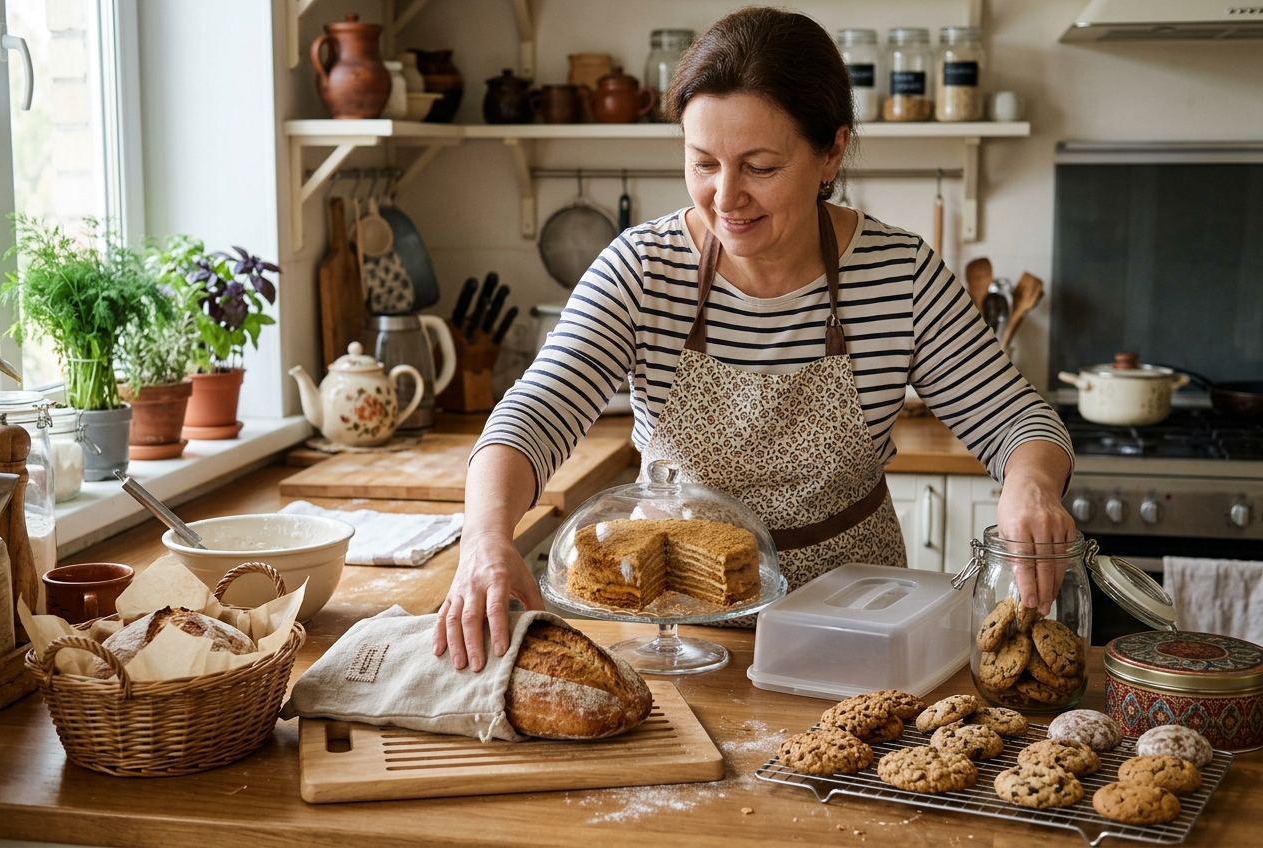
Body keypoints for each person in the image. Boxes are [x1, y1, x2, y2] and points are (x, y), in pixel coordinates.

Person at [435, 7, 1076, 671]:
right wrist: (484, 537)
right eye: (703, 163)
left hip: (854, 621)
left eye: (760, 166)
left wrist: (1029, 485)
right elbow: (533, 414)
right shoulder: (641, 269)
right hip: (677, 625)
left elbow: (1017, 421)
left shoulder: (899, 275)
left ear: (832, 152)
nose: (726, 197)